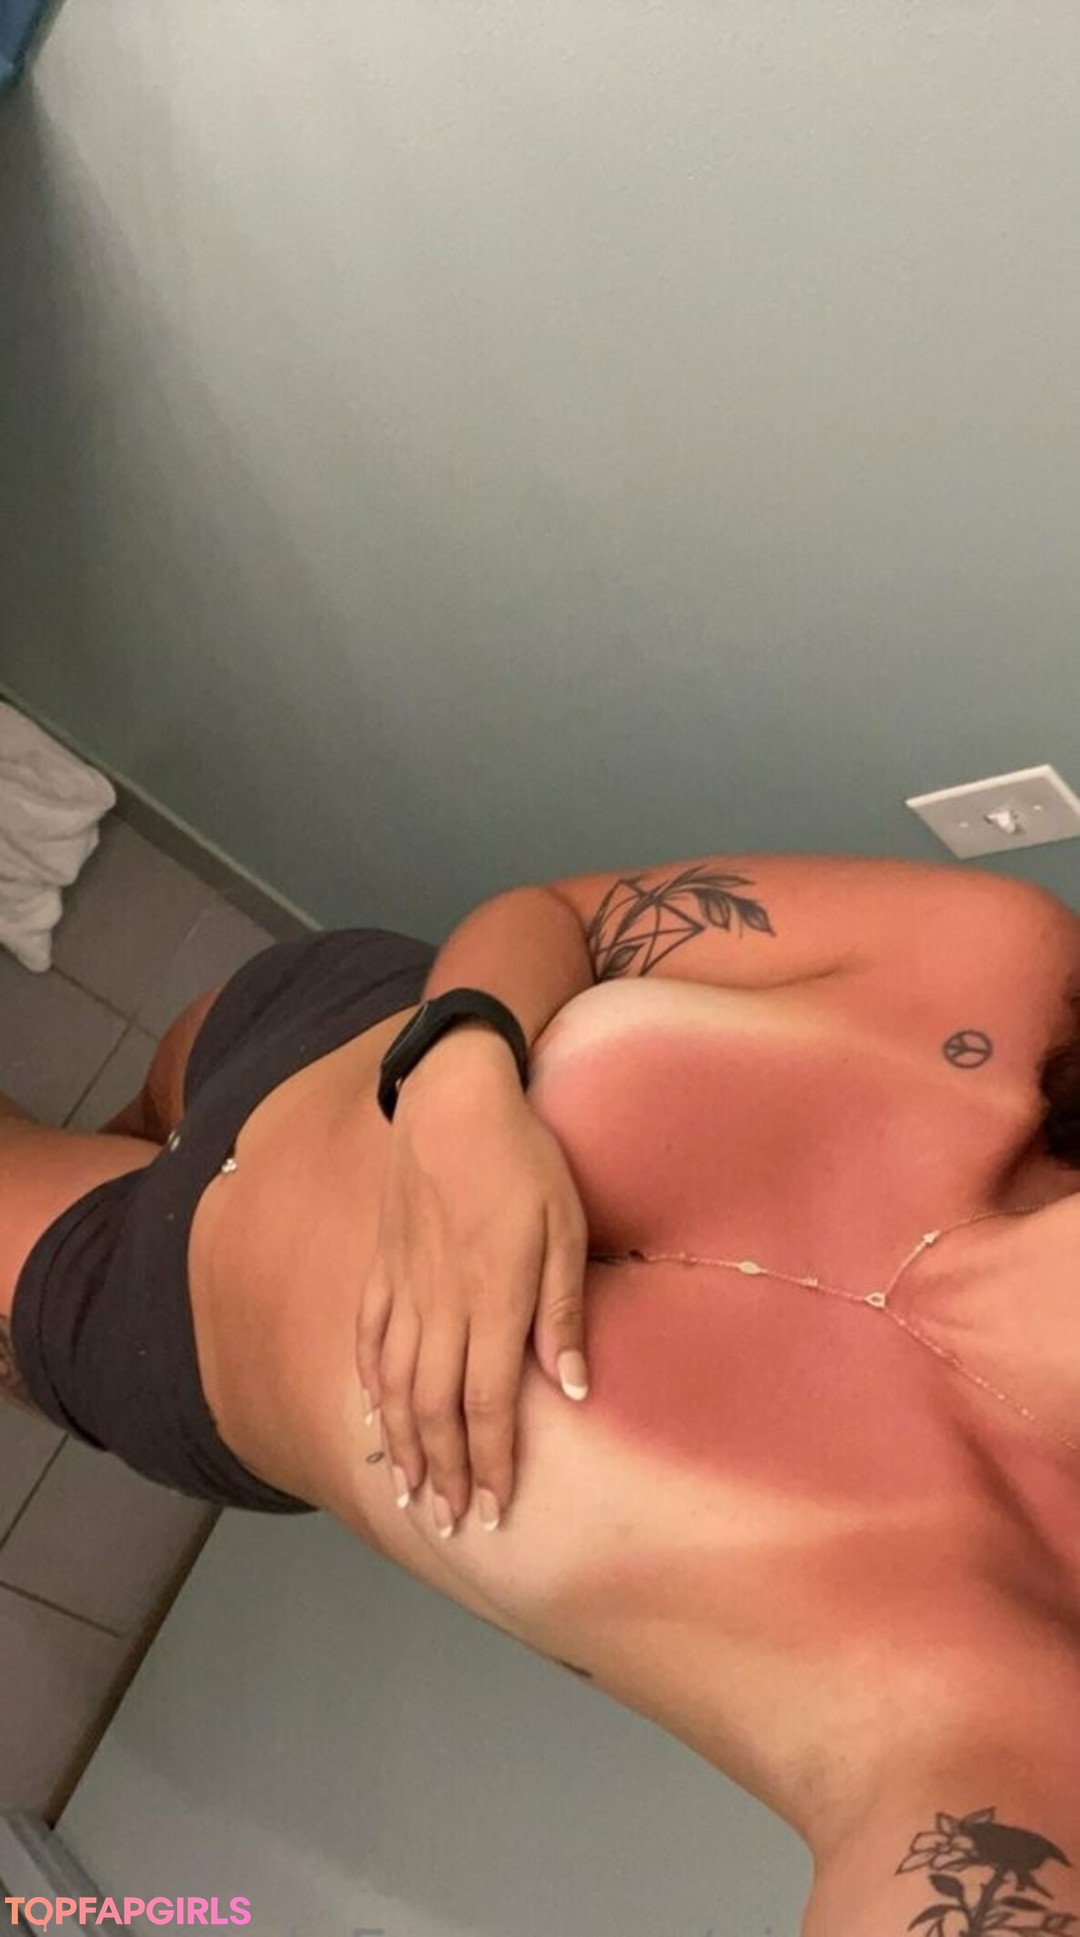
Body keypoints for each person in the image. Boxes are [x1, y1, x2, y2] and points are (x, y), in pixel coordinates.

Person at [3, 845, 1079, 1936]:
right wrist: (458, 1079)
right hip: (334, 1019)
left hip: (163, 1332)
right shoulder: (1005, 962)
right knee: (137, 1106)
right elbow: (554, 915)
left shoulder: (1010, 1700)